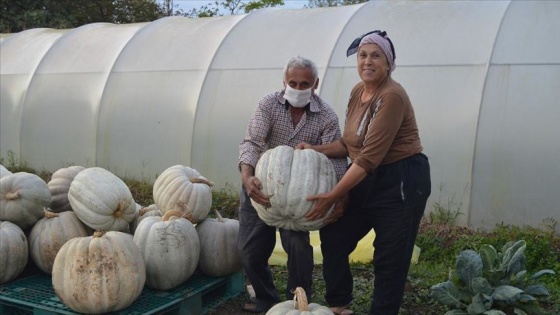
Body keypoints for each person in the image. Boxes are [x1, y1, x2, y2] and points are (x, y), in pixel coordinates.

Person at [296, 30, 431, 315]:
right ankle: (339, 304)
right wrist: (315, 149)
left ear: (388, 63)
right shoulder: (358, 91)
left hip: (401, 180)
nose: (367, 61)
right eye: (362, 55)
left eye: (375, 56)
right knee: (334, 236)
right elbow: (350, 144)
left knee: (389, 258)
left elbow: (368, 157)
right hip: (366, 177)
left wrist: (333, 194)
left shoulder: (392, 95)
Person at [237, 56, 348, 313]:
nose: (298, 88)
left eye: (304, 84)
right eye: (293, 83)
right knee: (250, 252)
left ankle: (298, 305)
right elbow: (252, 142)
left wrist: (339, 196)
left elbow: (337, 159)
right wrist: (246, 175)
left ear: (315, 84)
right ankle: (266, 298)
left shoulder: (327, 116)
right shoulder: (268, 105)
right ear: (284, 81)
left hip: (299, 197)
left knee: (299, 250)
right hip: (260, 188)